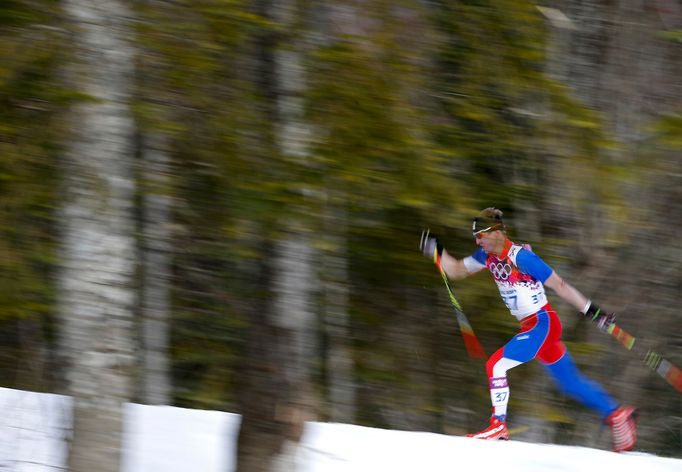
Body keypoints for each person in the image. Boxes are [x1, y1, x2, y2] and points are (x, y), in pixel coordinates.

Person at [419, 207, 638, 452]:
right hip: (534, 327)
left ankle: (497, 426)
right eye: (476, 236)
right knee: (570, 382)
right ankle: (618, 415)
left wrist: (593, 312)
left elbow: (560, 285)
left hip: (542, 323)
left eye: (481, 235)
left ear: (497, 233)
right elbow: (457, 269)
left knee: (496, 365)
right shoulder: (486, 257)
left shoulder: (522, 258)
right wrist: (437, 252)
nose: (477, 241)